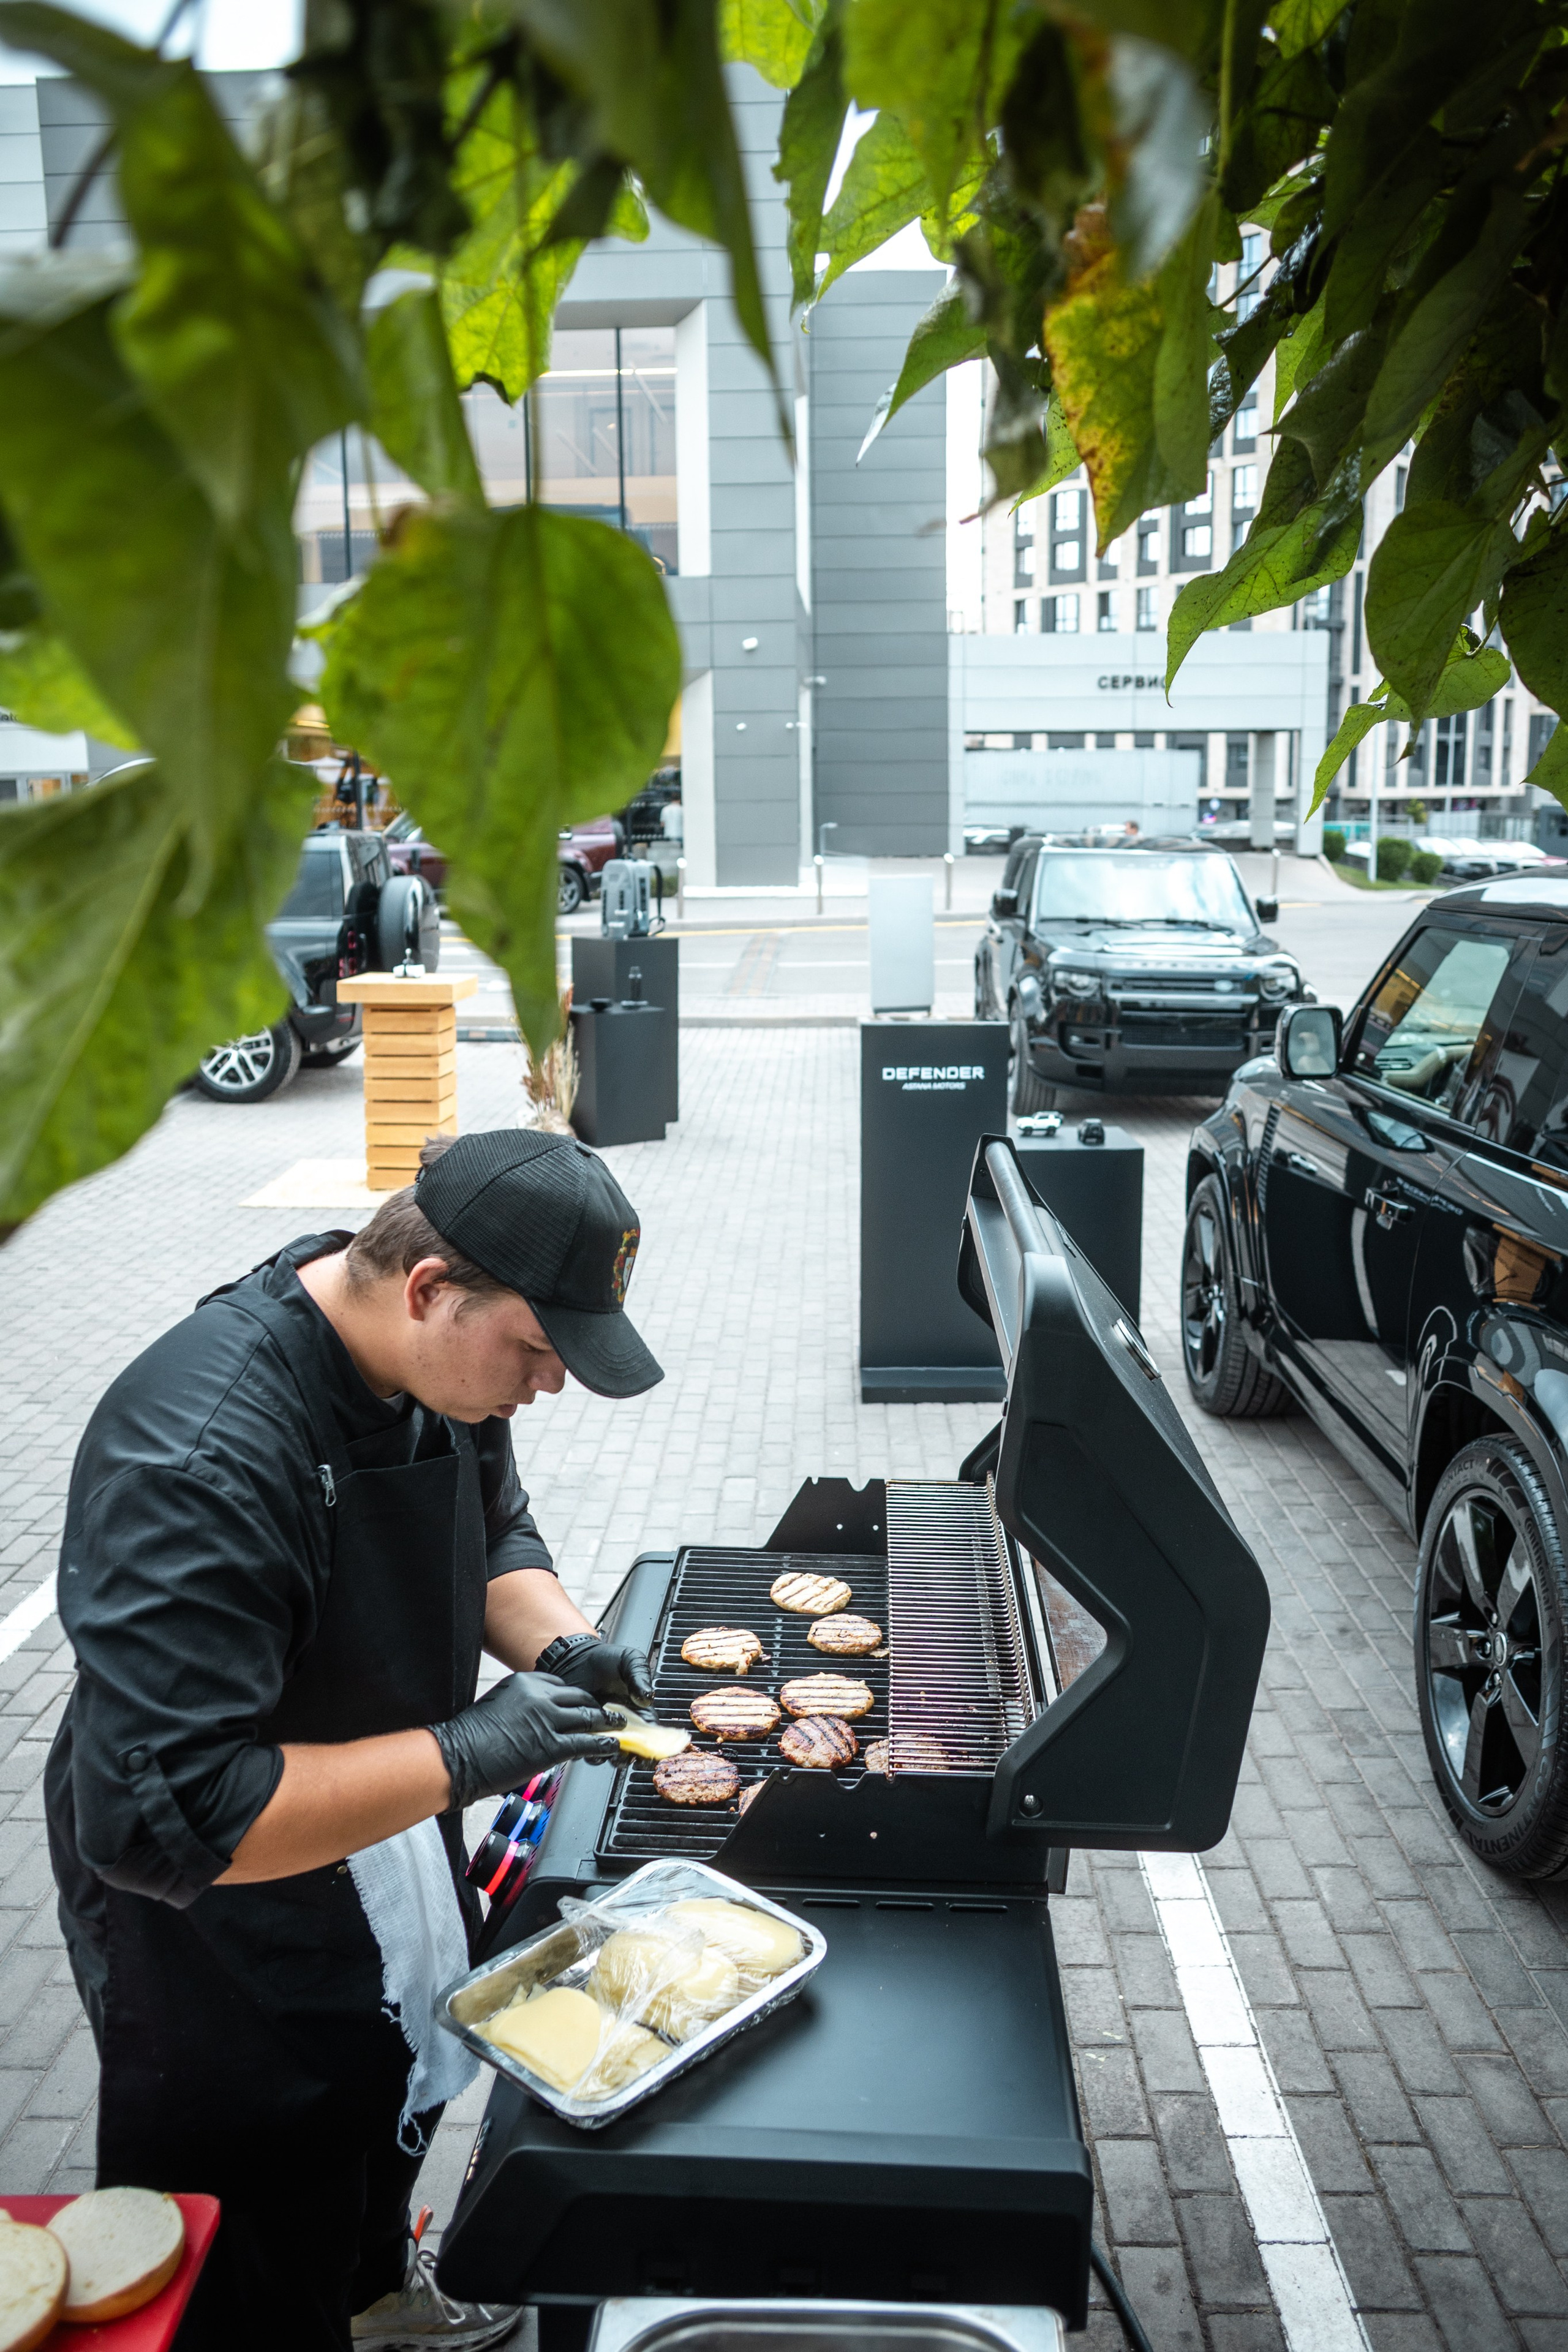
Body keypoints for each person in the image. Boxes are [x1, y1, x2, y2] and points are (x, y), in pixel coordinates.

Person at [45, 1129, 663, 2352]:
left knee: (378, 2088)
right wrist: (474, 1752)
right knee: (252, 2198)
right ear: (431, 1287)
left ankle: (377, 2291)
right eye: (537, 1353)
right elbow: (181, 1811)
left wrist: (561, 1652)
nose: (544, 1387)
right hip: (220, 1902)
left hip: (379, 1796)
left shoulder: (434, 1365)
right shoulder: (207, 1451)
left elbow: (494, 1534)